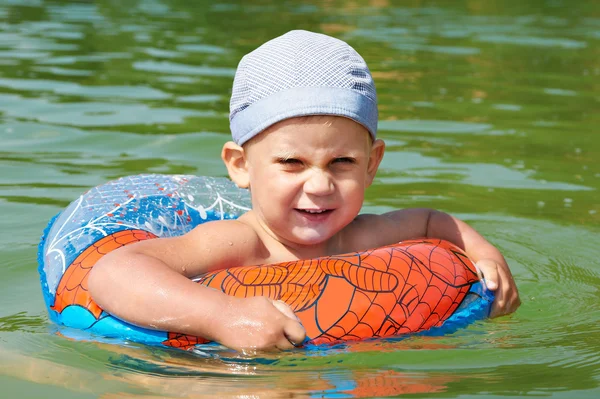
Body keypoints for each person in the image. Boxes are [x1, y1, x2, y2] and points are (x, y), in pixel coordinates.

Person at [89, 30, 520, 352]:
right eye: (292, 163)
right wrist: (223, 316)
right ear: (241, 166)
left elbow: (433, 221)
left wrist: (486, 258)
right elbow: (114, 272)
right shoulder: (240, 242)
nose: (319, 185)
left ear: (372, 165)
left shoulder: (363, 238)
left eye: (343, 162)